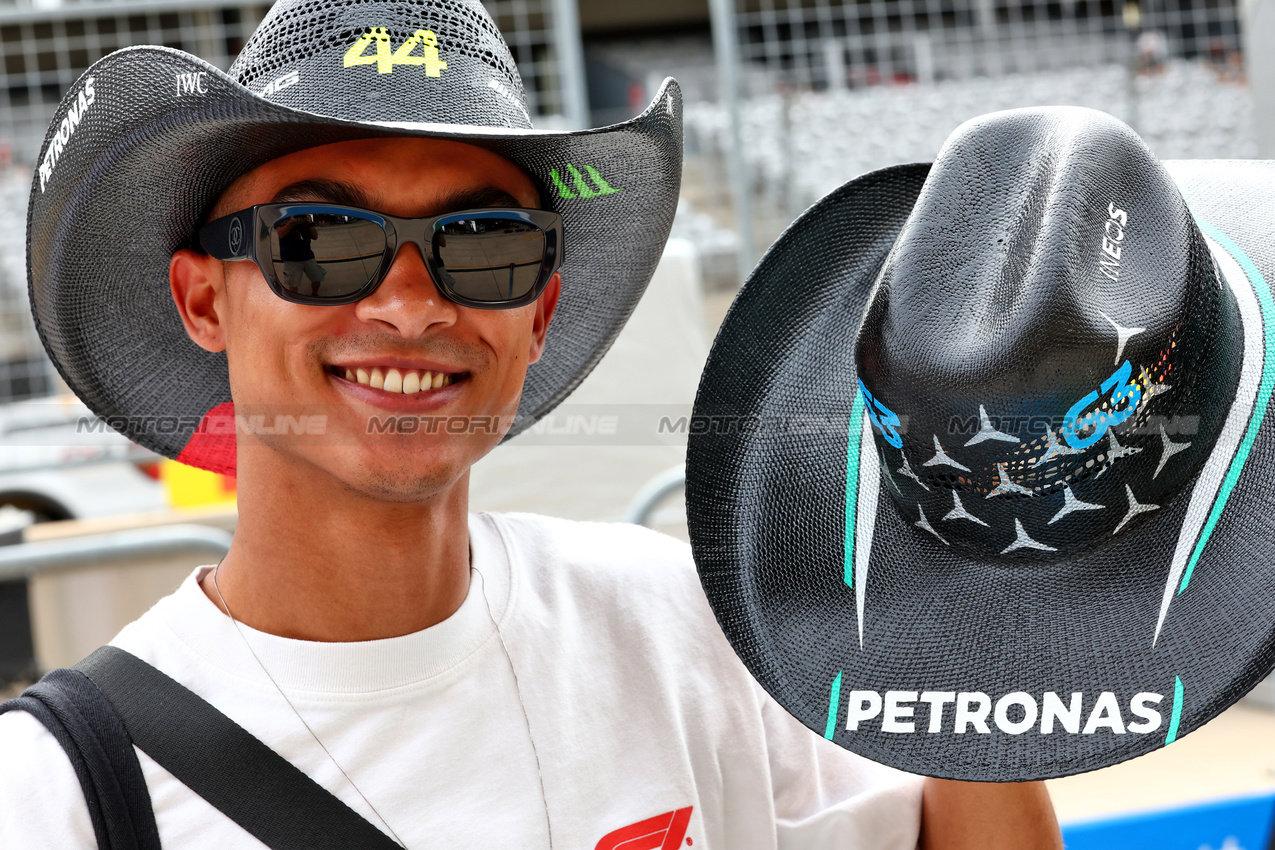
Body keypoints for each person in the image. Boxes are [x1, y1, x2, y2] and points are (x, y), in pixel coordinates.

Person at [1, 1, 1062, 847]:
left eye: (485, 246)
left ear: (539, 314)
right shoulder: (62, 793)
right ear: (203, 300)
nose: (410, 305)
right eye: (319, 238)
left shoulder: (683, 627)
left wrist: (967, 596)